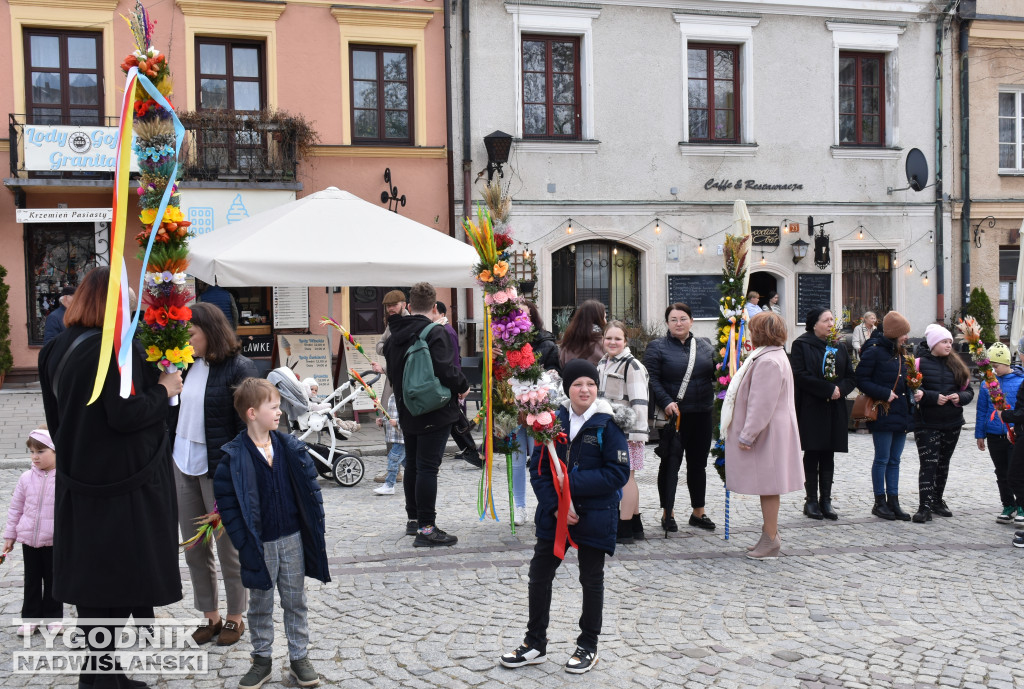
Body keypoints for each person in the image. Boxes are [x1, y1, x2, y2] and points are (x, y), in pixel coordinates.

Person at [38, 265, 183, 689]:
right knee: (116, 584)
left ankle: (103, 673)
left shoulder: (56, 347)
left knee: (94, 585)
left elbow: (57, 418)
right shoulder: (114, 349)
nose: (136, 301)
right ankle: (99, 680)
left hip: (80, 482)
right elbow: (125, 415)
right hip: (121, 488)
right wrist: (165, 389)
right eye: (129, 295)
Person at [498, 359, 630, 675]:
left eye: (590, 384)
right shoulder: (550, 421)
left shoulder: (607, 424)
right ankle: (534, 643)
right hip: (555, 514)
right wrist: (556, 504)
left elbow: (617, 472)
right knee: (540, 573)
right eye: (577, 384)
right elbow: (538, 468)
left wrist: (570, 487)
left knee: (591, 579)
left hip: (594, 514)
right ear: (567, 389)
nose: (585, 389)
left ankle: (588, 645)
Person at [214, 378, 329, 689]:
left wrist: (314, 528)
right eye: (274, 407)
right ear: (252, 413)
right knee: (261, 604)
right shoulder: (233, 458)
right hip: (258, 544)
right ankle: (261, 659)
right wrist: (242, 541)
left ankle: (299, 658)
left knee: (295, 600)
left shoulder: (290, 447)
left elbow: (309, 491)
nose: (280, 412)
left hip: (292, 538)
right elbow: (229, 507)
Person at [167, 302, 257, 646]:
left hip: (218, 469)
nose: (186, 339)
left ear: (211, 331)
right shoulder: (183, 365)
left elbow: (249, 426)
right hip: (183, 462)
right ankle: (211, 616)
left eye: (191, 333)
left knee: (227, 548)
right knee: (193, 549)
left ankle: (235, 617)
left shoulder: (239, 368)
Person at [382, 282, 469, 547]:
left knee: (415, 464)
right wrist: (463, 386)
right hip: (434, 408)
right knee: (428, 467)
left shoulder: (394, 334)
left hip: (407, 408)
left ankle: (414, 520)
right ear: (433, 307)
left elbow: (393, 373)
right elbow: (446, 369)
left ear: (409, 306)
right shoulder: (435, 332)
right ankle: (427, 529)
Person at [721, 312, 803, 560]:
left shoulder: (768, 361)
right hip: (772, 430)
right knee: (768, 485)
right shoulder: (773, 355)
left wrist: (747, 435)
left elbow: (761, 403)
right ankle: (768, 535)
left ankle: (770, 539)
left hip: (767, 433)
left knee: (769, 486)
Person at [644, 303, 717, 532]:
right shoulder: (657, 347)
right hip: (674, 416)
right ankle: (668, 512)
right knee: (670, 464)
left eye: (683, 318)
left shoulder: (704, 345)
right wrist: (666, 402)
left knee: (698, 464)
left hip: (703, 412)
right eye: (674, 319)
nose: (679, 323)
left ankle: (698, 512)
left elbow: (717, 373)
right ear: (667, 323)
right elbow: (652, 378)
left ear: (691, 321)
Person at [789, 308, 856, 520]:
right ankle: (810, 501)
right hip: (811, 406)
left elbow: (850, 376)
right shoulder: (801, 344)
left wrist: (840, 390)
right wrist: (827, 389)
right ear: (814, 323)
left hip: (834, 406)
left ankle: (826, 500)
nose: (830, 324)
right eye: (826, 320)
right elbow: (800, 375)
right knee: (813, 451)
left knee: (829, 452)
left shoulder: (838, 345)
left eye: (831, 320)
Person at [911, 323, 975, 523]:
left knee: (943, 464)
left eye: (950, 341)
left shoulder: (956, 364)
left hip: (952, 422)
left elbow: (969, 391)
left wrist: (960, 397)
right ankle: (924, 507)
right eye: (944, 341)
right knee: (928, 465)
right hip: (927, 423)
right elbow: (914, 391)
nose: (949, 345)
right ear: (933, 344)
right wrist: (932, 397)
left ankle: (937, 500)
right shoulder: (918, 363)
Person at [855, 311, 914, 521]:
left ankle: (894, 502)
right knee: (882, 459)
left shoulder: (901, 353)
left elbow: (904, 381)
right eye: (903, 333)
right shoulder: (874, 351)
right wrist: (884, 393)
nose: (907, 337)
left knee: (895, 460)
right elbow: (861, 379)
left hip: (900, 412)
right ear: (894, 333)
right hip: (882, 410)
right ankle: (879, 502)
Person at [508, 302, 562, 526]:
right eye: (516, 315)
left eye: (524, 314)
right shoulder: (504, 343)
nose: (520, 318)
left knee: (540, 459)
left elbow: (556, 370)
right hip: (511, 409)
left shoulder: (546, 343)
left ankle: (546, 505)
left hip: (537, 408)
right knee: (517, 461)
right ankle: (519, 507)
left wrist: (551, 374)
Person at [3, 427, 61, 636]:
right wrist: (10, 536)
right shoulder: (26, 478)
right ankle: (30, 618)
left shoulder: (62, 479)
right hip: (29, 539)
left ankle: (54, 618)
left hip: (54, 540)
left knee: (54, 580)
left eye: (41, 451)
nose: (35, 457)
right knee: (32, 580)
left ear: (55, 451)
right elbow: (16, 507)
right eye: (32, 452)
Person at [597, 320, 649, 544]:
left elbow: (639, 401)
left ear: (625, 341)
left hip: (628, 433)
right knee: (625, 477)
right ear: (603, 340)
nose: (612, 342)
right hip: (610, 431)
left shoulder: (632, 365)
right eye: (609, 338)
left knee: (626, 478)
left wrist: (637, 434)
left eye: (617, 338)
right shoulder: (602, 363)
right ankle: (636, 523)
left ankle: (625, 526)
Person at [976, 342, 1024, 524]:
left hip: (1014, 435)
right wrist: (980, 434)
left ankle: (1022, 505)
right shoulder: (986, 384)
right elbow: (982, 410)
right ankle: (1008, 504)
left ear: (1006, 363)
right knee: (1001, 472)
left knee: (1016, 471)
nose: (993, 370)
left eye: (996, 366)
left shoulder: (1020, 381)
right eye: (991, 367)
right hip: (994, 434)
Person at [436, 300, 482, 467]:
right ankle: (471, 450)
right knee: (455, 419)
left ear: (440, 313)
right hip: (449, 383)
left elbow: (454, 360)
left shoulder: (447, 331)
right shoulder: (441, 329)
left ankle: (471, 450)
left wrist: (458, 383)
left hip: (451, 383)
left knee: (454, 419)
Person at [374, 394, 406, 496]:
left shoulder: (405, 395)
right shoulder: (392, 396)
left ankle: (389, 485)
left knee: (393, 459)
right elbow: (390, 414)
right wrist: (383, 421)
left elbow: (410, 417)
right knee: (407, 462)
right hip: (395, 436)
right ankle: (420, 477)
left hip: (402, 437)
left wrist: (398, 423)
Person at [558, 299, 606, 366]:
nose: (606, 321)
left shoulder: (568, 341)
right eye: (604, 317)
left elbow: (561, 363)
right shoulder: (603, 342)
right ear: (598, 319)